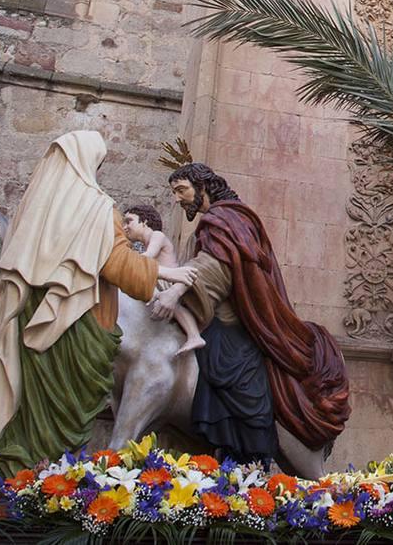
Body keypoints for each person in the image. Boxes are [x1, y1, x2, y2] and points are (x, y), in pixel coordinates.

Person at [0, 131, 195, 472]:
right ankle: (44, 481)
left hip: (31, 329)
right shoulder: (94, 207)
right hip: (75, 328)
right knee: (61, 409)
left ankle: (16, 472)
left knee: (31, 406)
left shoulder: (36, 212)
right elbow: (117, 264)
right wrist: (172, 276)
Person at [149, 163, 350, 469]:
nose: (178, 199)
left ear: (203, 185)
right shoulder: (221, 220)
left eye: (181, 190)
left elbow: (216, 266)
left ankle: (246, 461)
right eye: (175, 192)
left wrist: (175, 291)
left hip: (233, 330)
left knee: (230, 377)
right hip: (221, 324)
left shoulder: (225, 218)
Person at [122, 204, 205, 354]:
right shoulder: (145, 242)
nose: (125, 227)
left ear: (145, 222)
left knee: (177, 307)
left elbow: (148, 258)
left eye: (129, 221)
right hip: (161, 281)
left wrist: (126, 259)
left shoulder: (157, 236)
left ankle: (194, 336)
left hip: (169, 282)